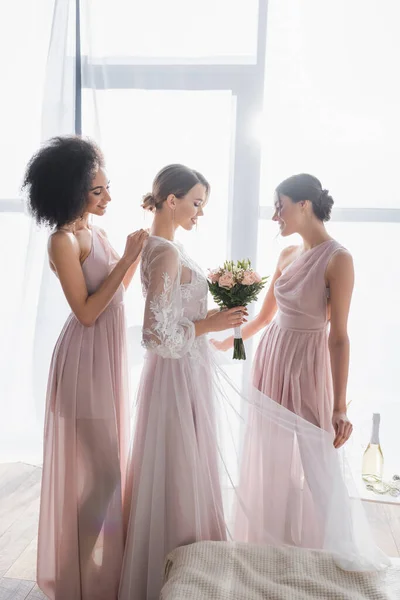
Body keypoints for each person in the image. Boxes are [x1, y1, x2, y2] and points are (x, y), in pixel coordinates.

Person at [22, 136, 148, 600]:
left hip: (106, 357)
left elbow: (117, 293)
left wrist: (134, 256)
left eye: (107, 188)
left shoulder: (99, 233)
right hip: (83, 362)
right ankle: (73, 568)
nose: (108, 198)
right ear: (72, 192)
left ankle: (83, 564)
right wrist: (129, 259)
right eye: (98, 191)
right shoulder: (62, 241)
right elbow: (87, 312)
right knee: (106, 473)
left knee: (106, 469)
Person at [118, 164, 247, 600]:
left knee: (184, 463)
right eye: (196, 203)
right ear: (170, 200)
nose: (200, 213)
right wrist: (209, 324)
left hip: (185, 370)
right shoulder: (166, 252)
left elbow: (174, 320)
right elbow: (154, 335)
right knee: (178, 466)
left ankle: (195, 572)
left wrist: (213, 331)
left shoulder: (161, 247)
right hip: (174, 376)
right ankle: (179, 575)